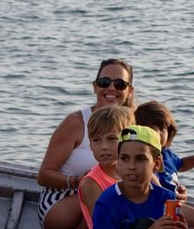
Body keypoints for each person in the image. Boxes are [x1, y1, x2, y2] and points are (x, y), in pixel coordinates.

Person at [38, 58, 136, 192]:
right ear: (95, 87)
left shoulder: (136, 125)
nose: (111, 88)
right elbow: (44, 175)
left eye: (120, 84)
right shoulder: (76, 122)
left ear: (129, 91)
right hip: (67, 196)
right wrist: (78, 180)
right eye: (104, 82)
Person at [42, 103, 134, 229]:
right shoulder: (92, 182)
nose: (104, 147)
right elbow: (103, 227)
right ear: (90, 144)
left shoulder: (136, 173)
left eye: (112, 139)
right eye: (97, 140)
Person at [134, 99, 194, 194]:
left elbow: (182, 165)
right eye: (152, 129)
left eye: (162, 129)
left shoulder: (167, 154)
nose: (158, 134)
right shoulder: (141, 158)